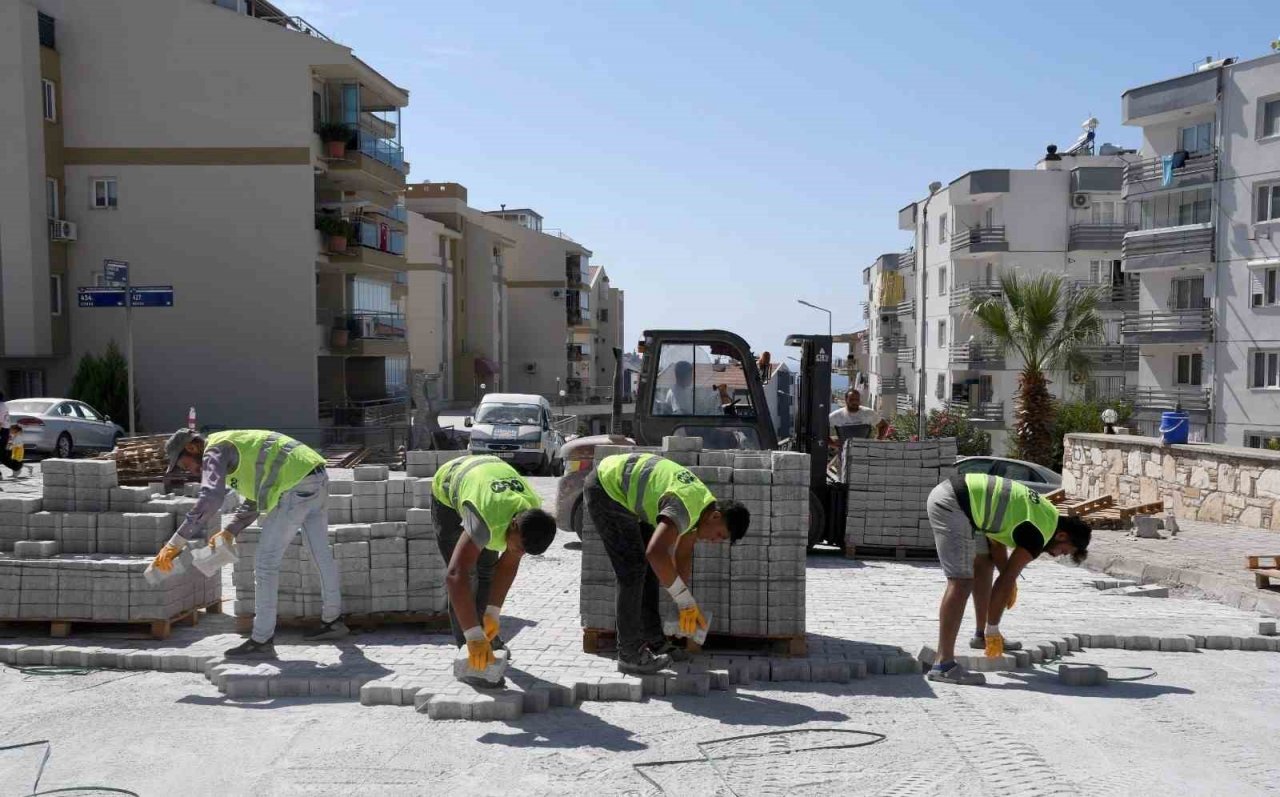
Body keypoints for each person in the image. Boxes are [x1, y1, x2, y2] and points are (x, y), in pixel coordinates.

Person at [153, 429, 347, 657]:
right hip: (317, 477)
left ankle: (261, 640)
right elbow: (256, 498)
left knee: (265, 564)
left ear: (192, 448)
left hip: (297, 485)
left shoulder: (215, 450)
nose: (188, 471)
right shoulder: (238, 448)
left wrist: (174, 545)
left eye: (184, 464)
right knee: (320, 553)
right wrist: (229, 531)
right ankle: (333, 620)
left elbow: (211, 497)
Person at [585, 452, 751, 674]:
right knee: (633, 570)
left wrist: (685, 604)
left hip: (629, 490)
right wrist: (684, 601)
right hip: (607, 487)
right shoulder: (685, 506)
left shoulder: (702, 508)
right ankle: (629, 654)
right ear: (715, 517)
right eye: (720, 535)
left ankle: (655, 641)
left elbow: (682, 555)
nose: (714, 542)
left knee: (651, 570)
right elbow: (656, 553)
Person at [924, 472, 1091, 685]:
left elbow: (997, 540)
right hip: (954, 504)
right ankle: (943, 664)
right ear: (1062, 536)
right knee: (961, 581)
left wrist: (1006, 577)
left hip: (963, 499)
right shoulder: (1040, 534)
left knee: (984, 565)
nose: (1058, 555)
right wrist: (994, 627)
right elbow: (1004, 582)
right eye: (1065, 551)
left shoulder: (1047, 513)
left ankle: (980, 636)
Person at [431, 454, 557, 679]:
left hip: (488, 481)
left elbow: (507, 565)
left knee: (486, 570)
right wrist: (473, 635)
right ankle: (471, 652)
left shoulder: (530, 514)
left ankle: (488, 637)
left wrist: (493, 613)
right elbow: (455, 576)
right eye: (519, 547)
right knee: (466, 578)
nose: (519, 553)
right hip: (450, 490)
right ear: (513, 525)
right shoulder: (486, 521)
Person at [0, 392, 19, 479]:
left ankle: (17, 467)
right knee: (3, 455)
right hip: (5, 431)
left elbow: (0, 422)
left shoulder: (0, 406)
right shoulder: (3, 405)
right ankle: (16, 467)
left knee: (3, 455)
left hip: (2, 431)